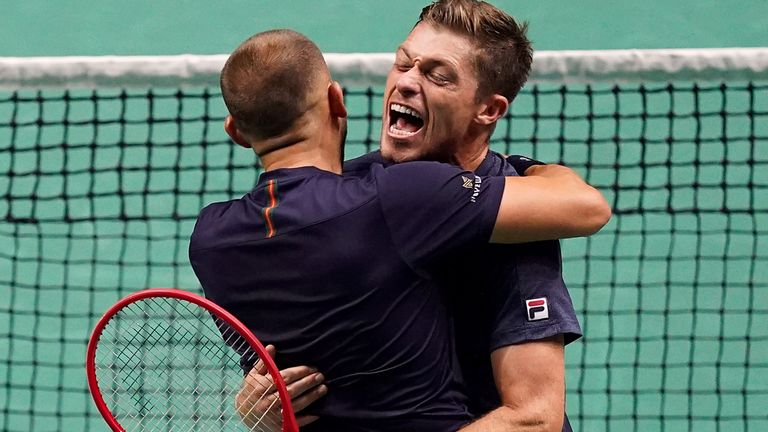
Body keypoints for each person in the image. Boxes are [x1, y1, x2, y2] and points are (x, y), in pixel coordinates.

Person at [190, 28, 609, 432]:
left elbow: (534, 419)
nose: (406, 83)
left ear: (488, 109)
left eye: (437, 75)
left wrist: (523, 171)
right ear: (337, 101)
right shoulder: (365, 193)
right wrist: (262, 401)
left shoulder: (519, 223)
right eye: (403, 64)